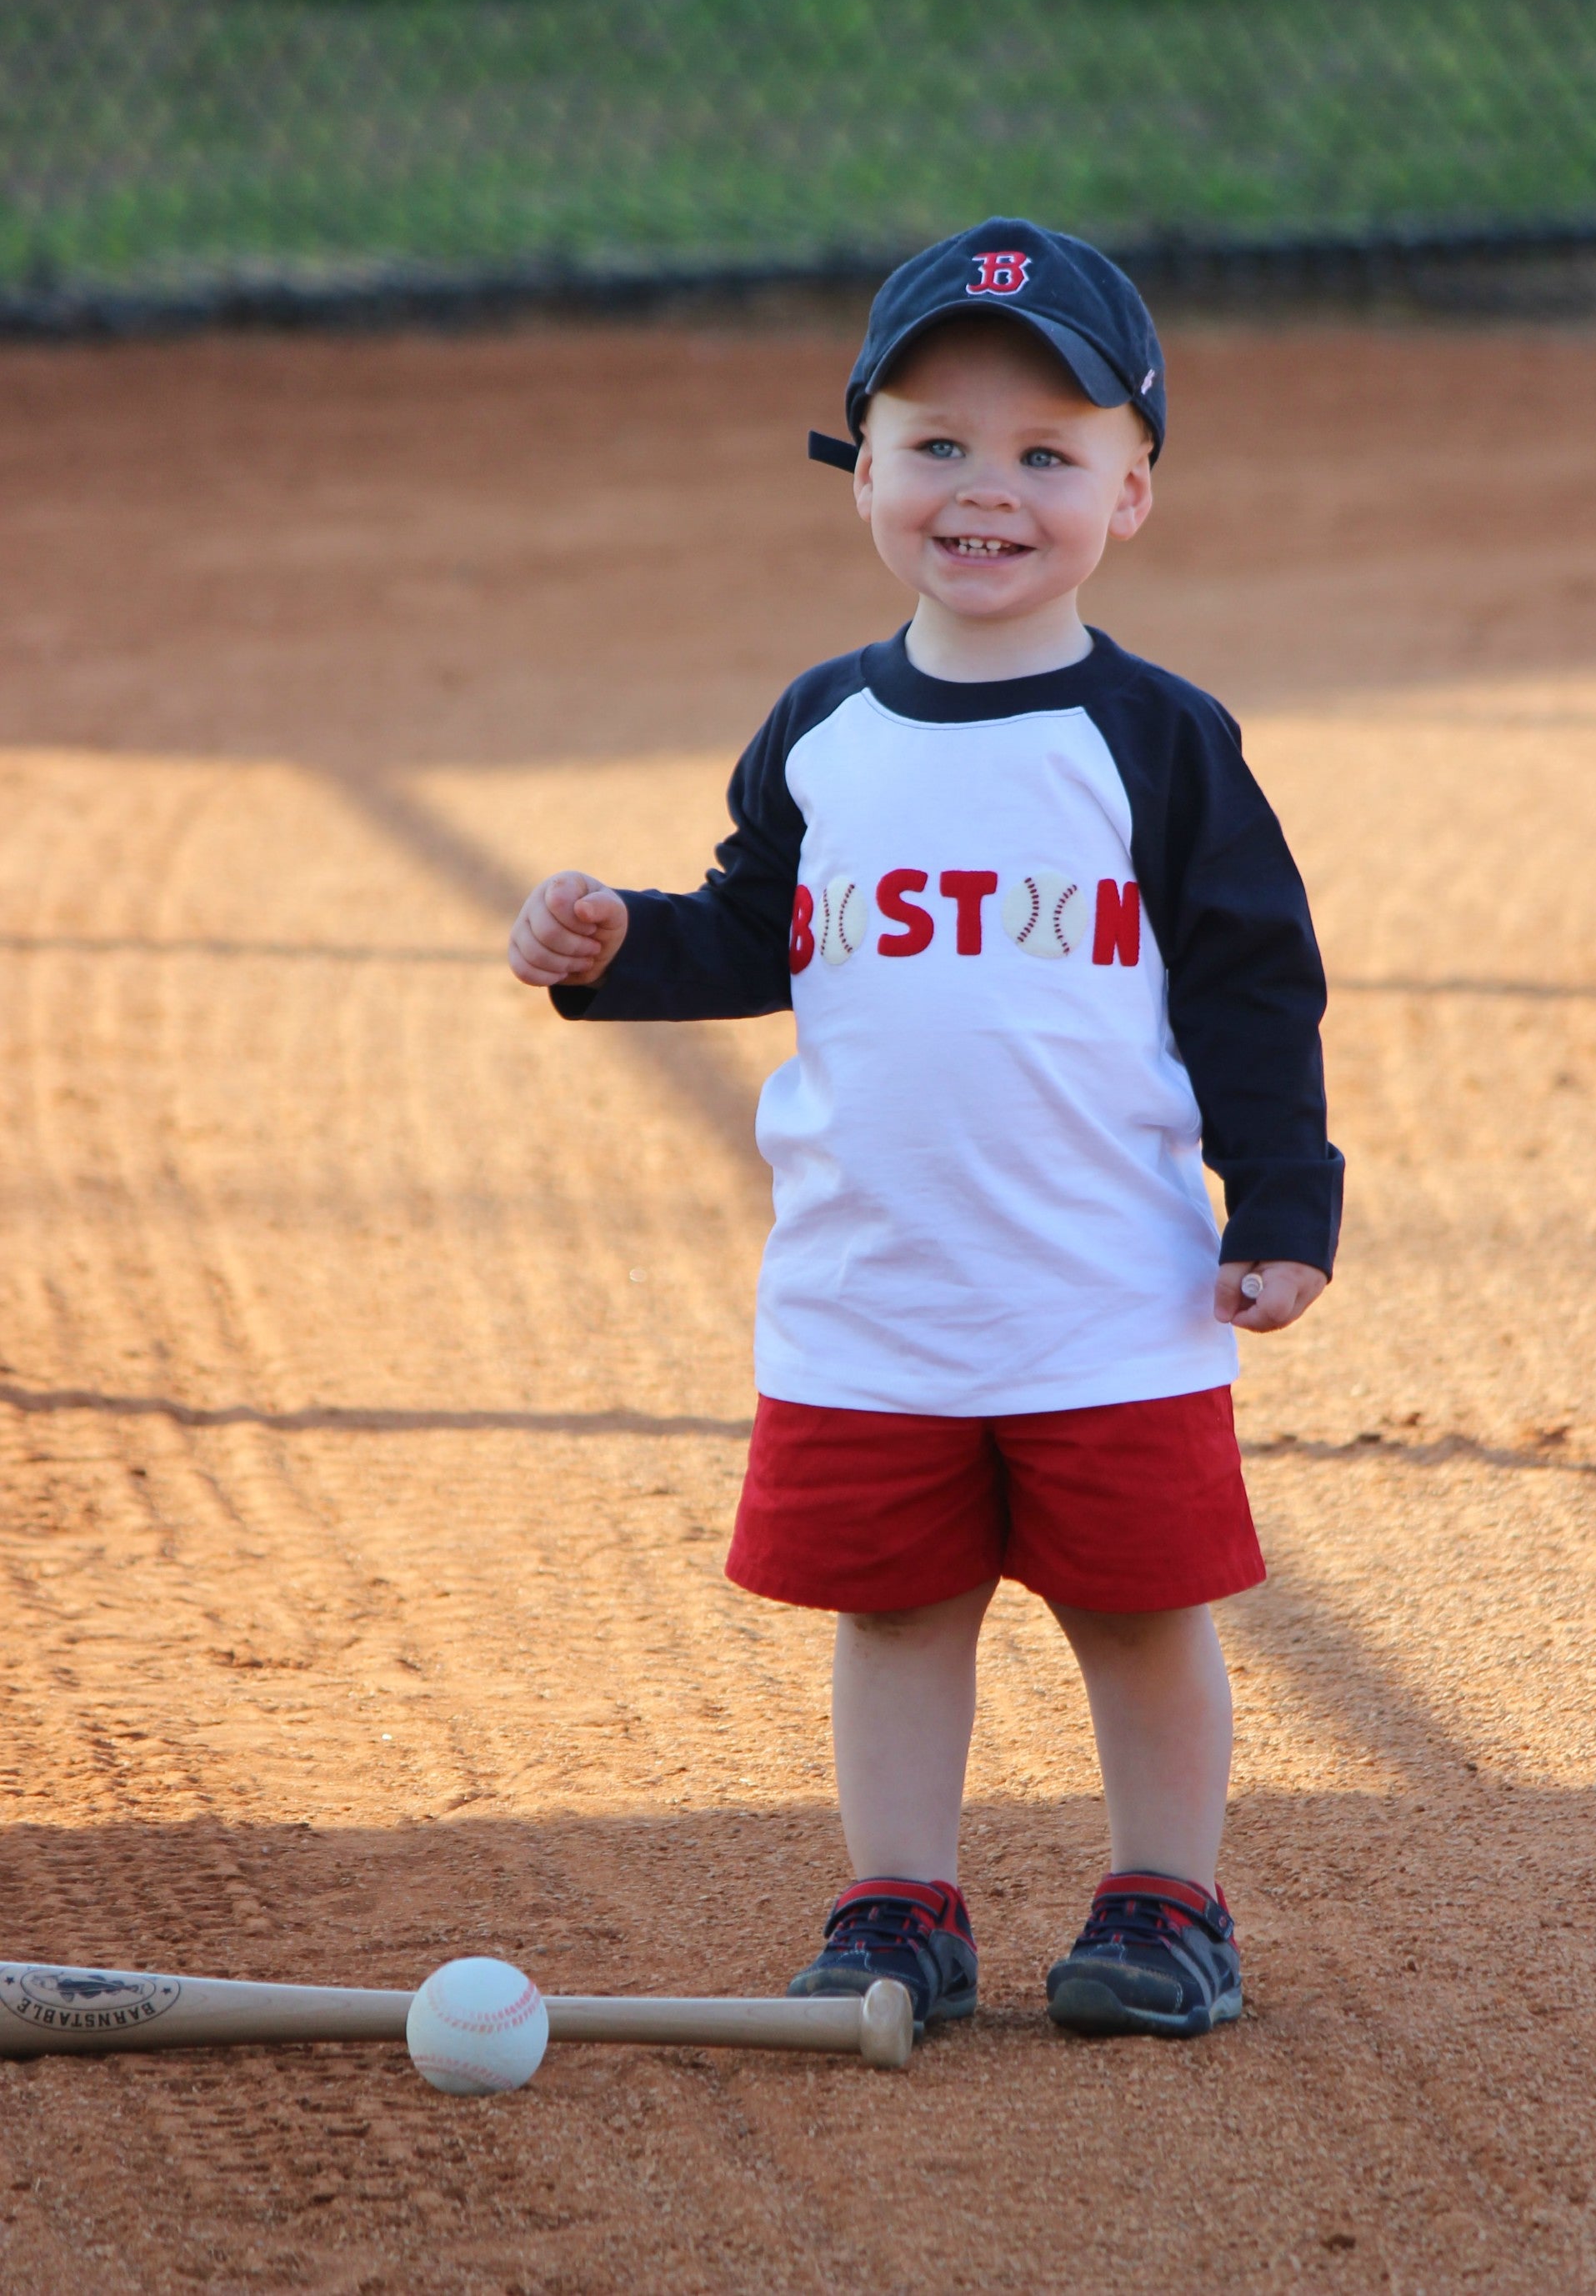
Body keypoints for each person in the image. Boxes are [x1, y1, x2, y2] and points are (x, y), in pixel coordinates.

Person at [508, 218, 1342, 2040]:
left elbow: (1249, 985)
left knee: (1137, 1610)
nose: (987, 491)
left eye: (1047, 453)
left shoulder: (1154, 738)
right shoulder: (822, 727)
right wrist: (613, 946)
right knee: (892, 1611)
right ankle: (898, 1906)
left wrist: (1279, 1202)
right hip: (869, 1291)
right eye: (937, 445)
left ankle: (1164, 1904)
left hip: (1102, 1289)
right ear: (862, 471)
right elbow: (751, 925)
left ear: (1132, 491)